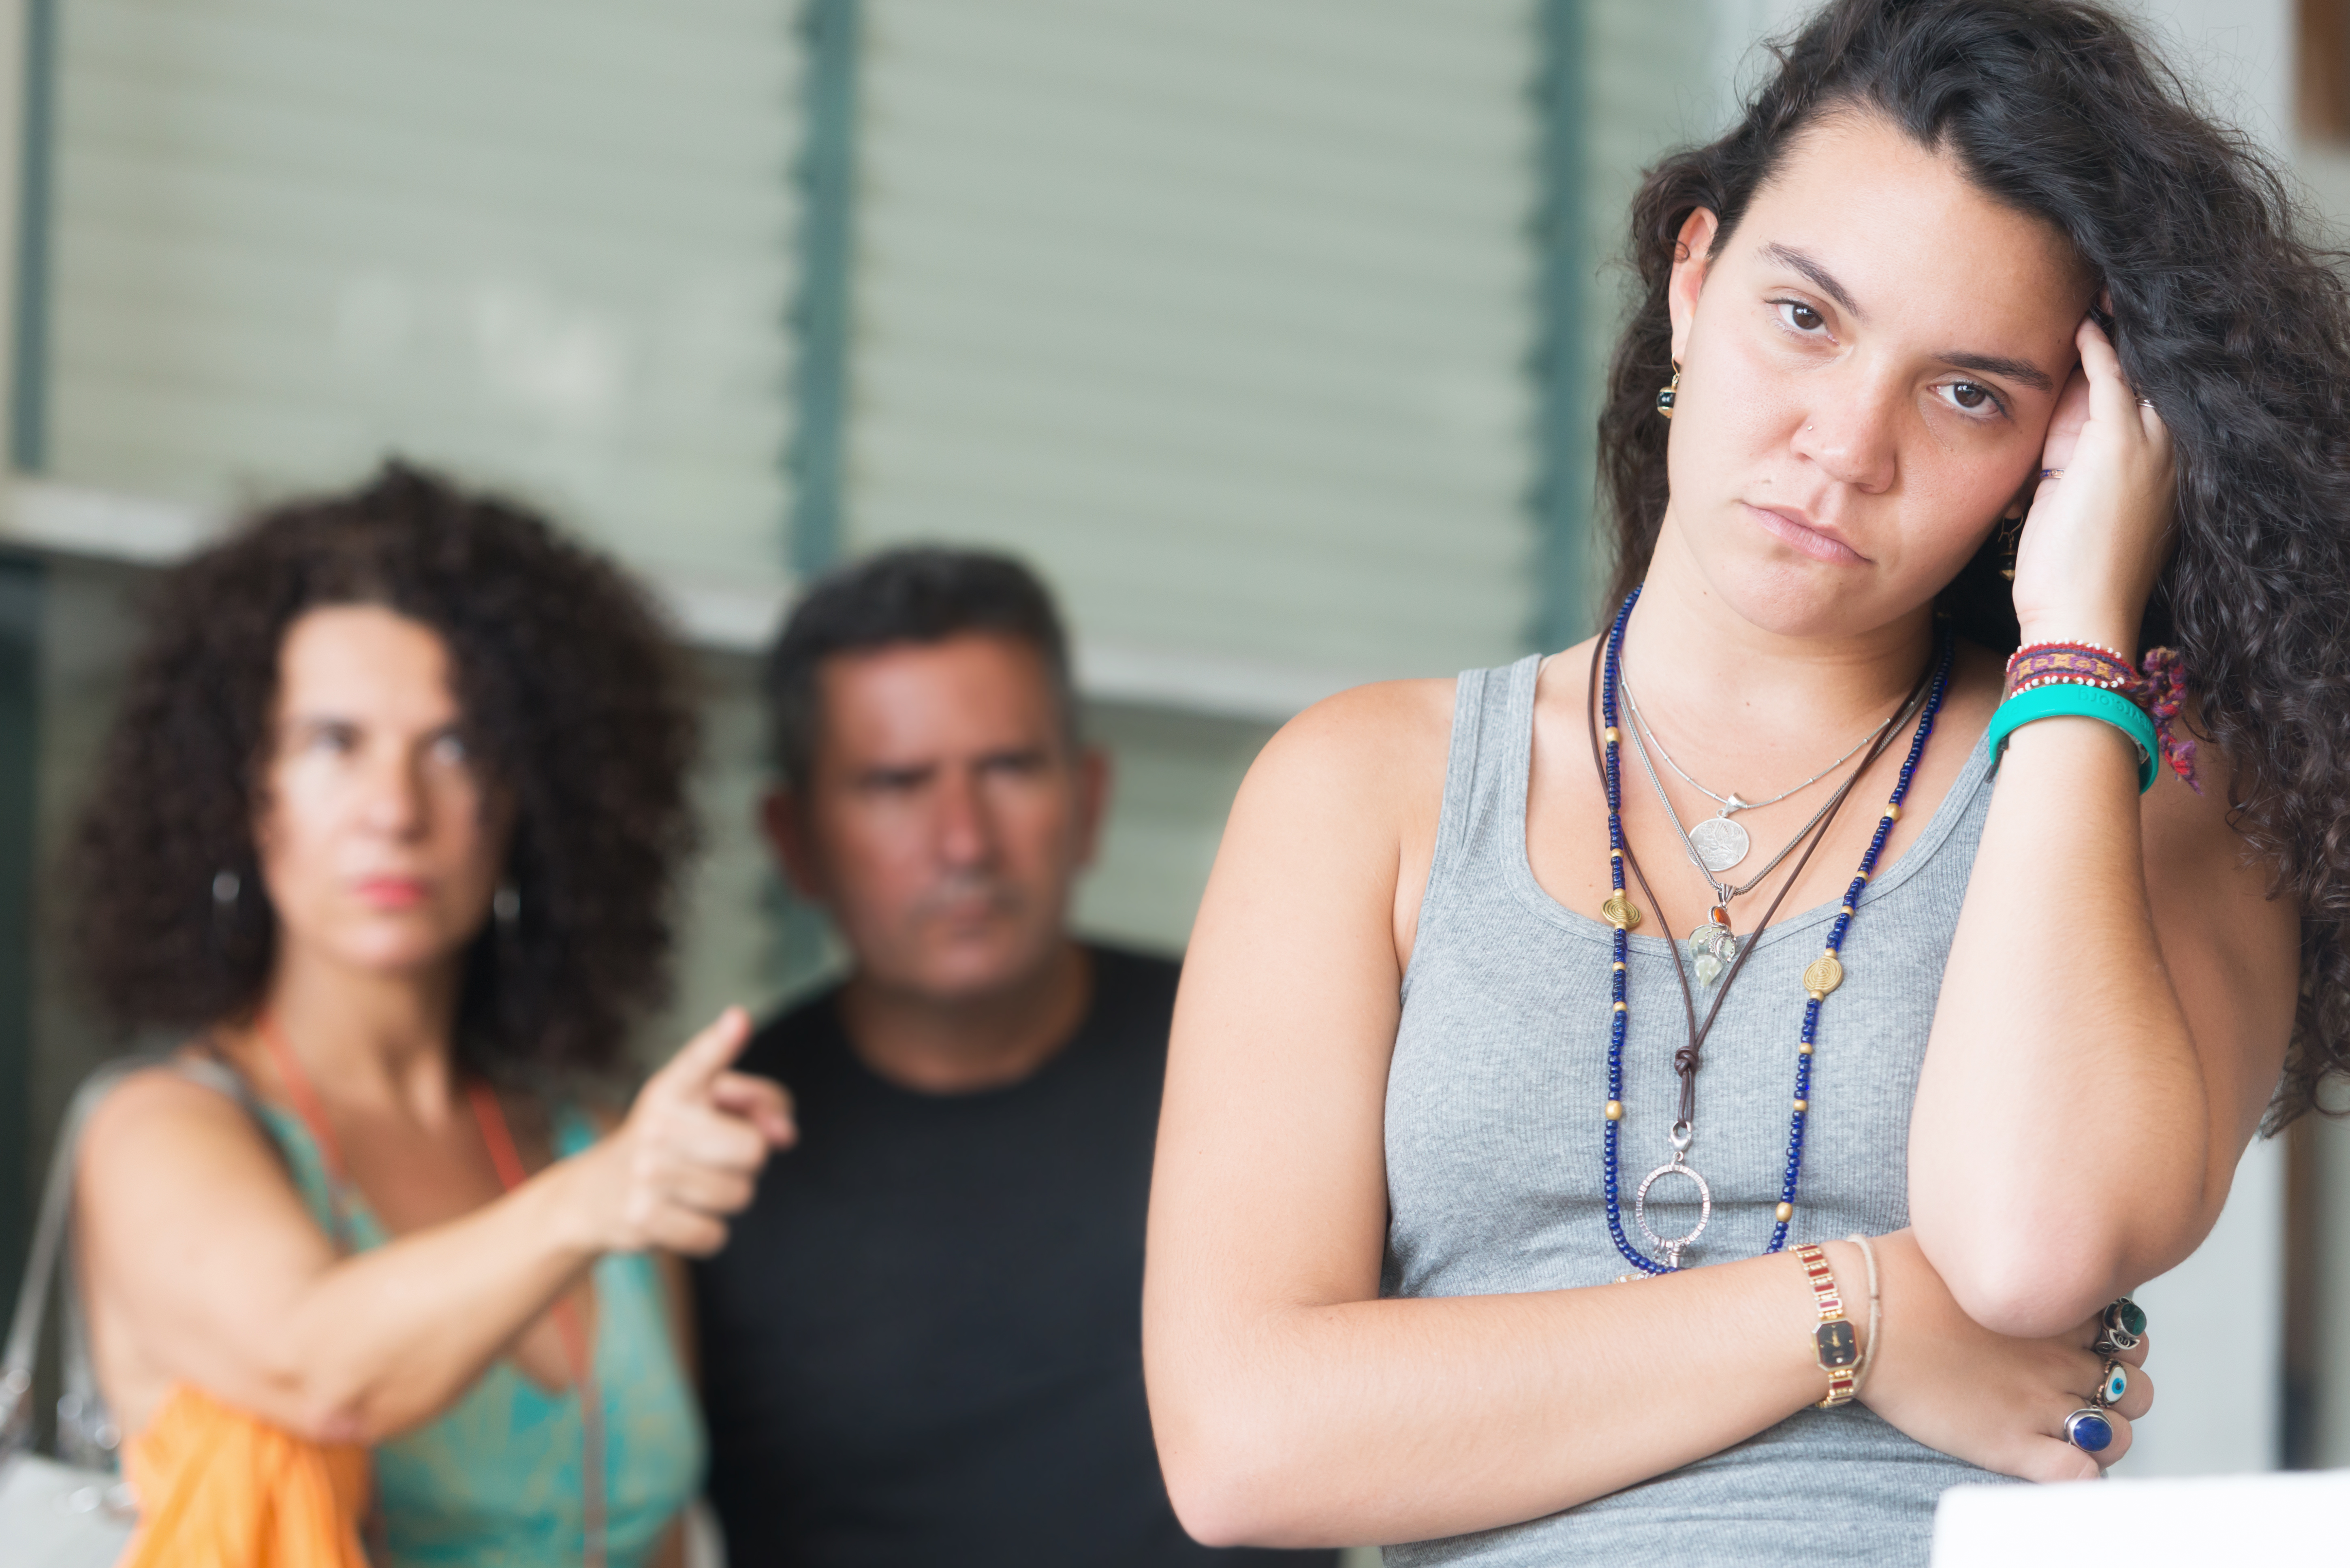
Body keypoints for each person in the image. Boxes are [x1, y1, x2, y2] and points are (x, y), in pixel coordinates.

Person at [1145, 1, 2340, 1562]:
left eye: (1969, 391)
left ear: (2071, 445)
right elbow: (1244, 1446)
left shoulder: (2143, 808)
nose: (1847, 443)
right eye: (1808, 317)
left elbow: (2037, 1249)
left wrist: (2076, 638)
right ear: (1695, 283)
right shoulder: (1364, 789)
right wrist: (1851, 1311)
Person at [68, 463, 795, 1566]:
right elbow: (321, 1367)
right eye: (333, 743)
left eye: (455, 747)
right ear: (237, 792)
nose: (394, 811)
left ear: (527, 802)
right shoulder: (161, 1128)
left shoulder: (592, 1140)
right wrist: (593, 1203)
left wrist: (608, 1179)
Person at [694, 548, 1334, 1566]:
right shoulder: (710, 1162)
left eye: (1007, 768)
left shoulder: (1264, 1053)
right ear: (793, 838)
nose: (962, 842)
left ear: (1087, 798)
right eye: (895, 784)